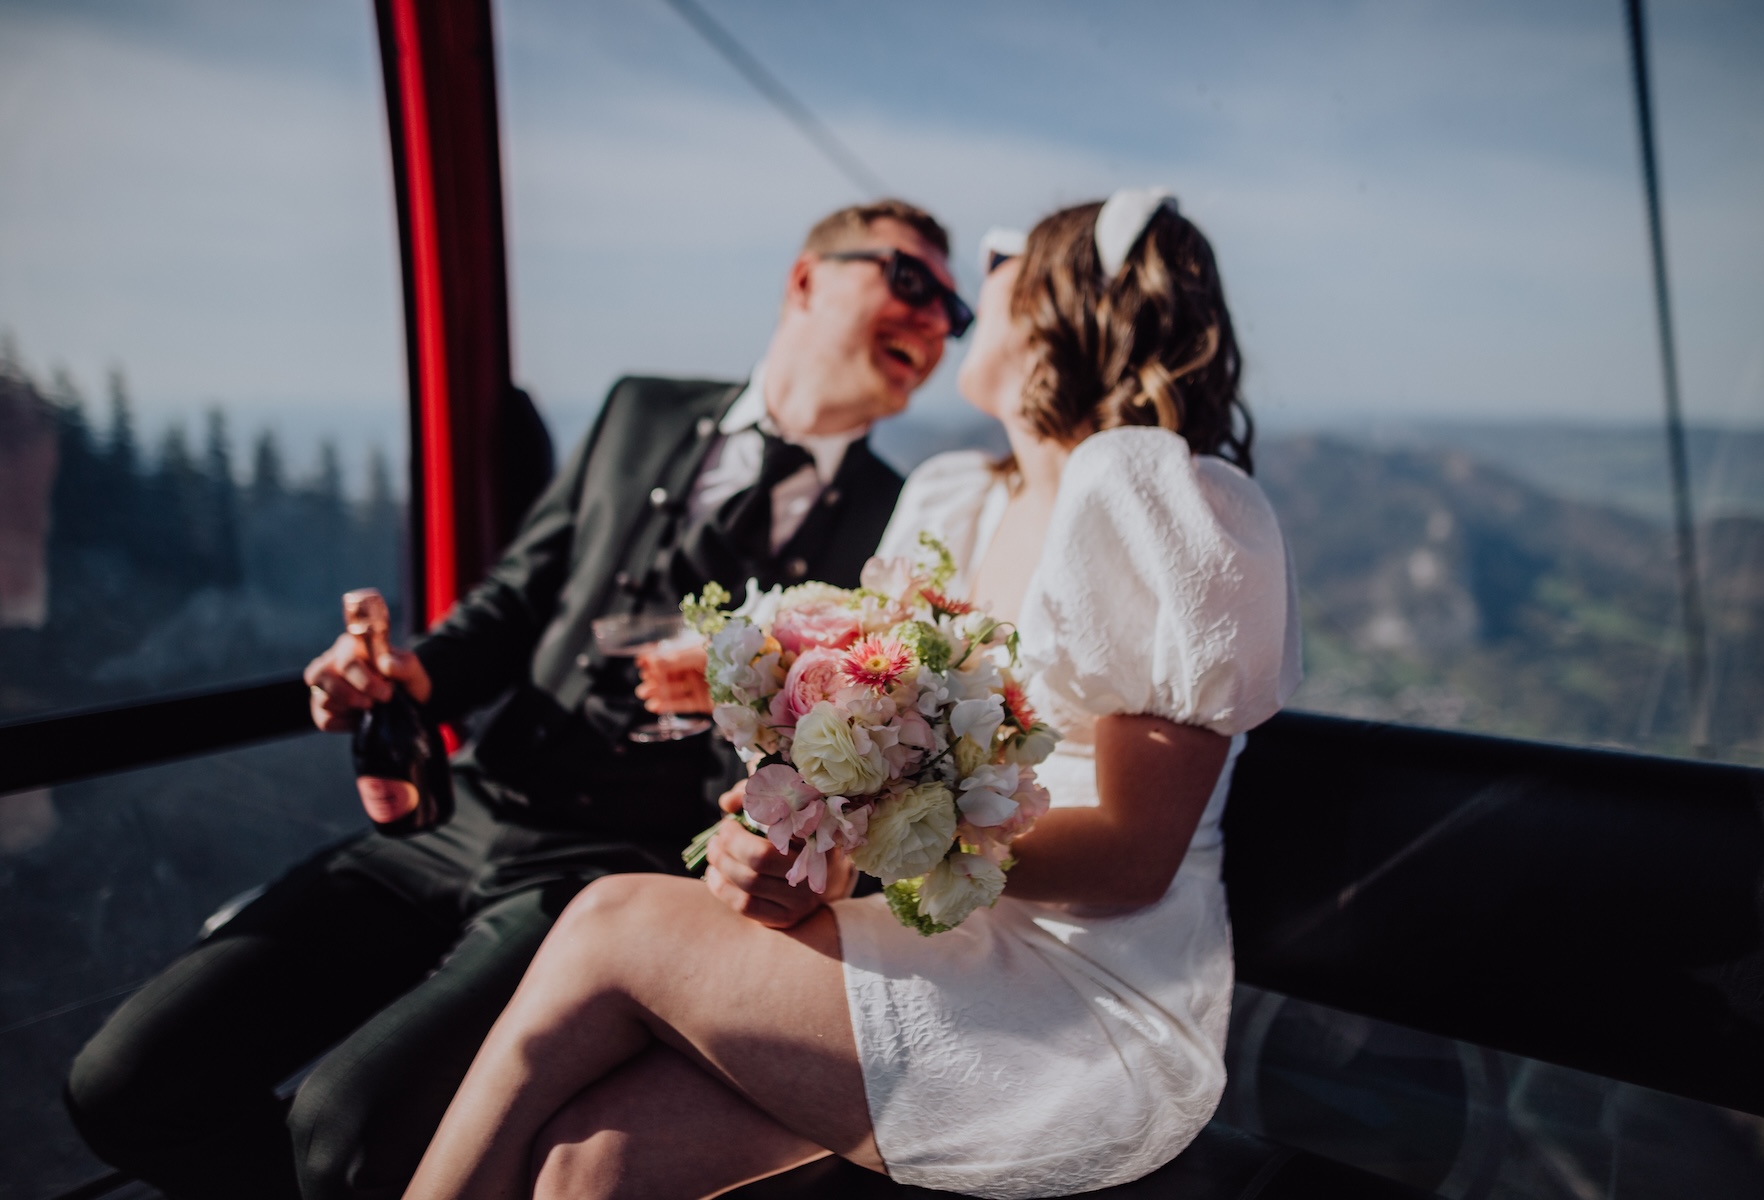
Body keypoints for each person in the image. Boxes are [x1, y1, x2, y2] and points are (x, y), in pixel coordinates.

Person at [402, 188, 1303, 1200]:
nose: (958, 310)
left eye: (993, 272)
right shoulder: (953, 500)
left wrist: (879, 833)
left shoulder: (1157, 497)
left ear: (1061, 302)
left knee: (612, 921)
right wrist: (806, 847)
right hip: (935, 936)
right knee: (589, 1162)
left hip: (1083, 991)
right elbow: (904, 781)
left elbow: (1136, 857)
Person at [63, 199, 968, 1200]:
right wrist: (410, 676)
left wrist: (734, 708)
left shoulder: (898, 520)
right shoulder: (640, 409)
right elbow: (517, 599)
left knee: (344, 1136)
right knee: (125, 1085)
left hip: (613, 874)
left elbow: (844, 765)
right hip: (466, 809)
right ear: (805, 279)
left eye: (954, 311)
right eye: (911, 281)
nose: (936, 321)